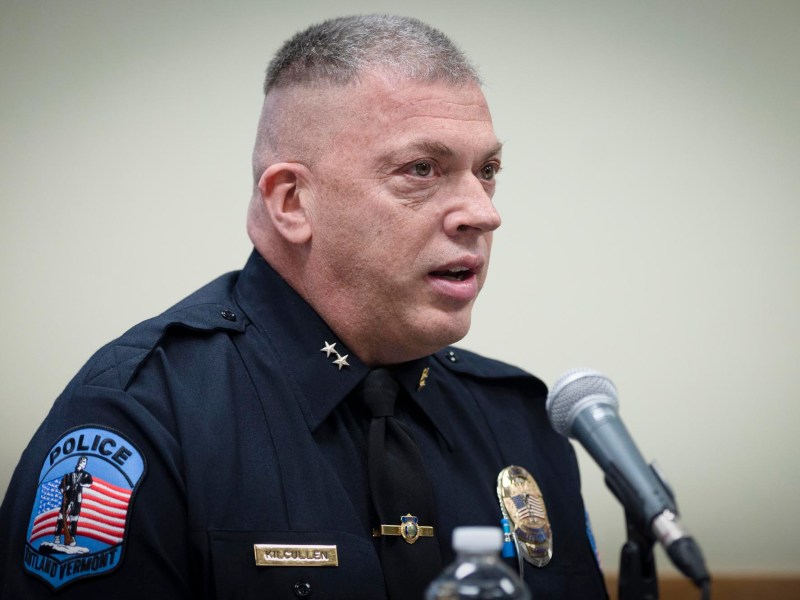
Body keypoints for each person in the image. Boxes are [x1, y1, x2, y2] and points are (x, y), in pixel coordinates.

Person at [0, 14, 608, 599]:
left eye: (489, 170)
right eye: (422, 169)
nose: (484, 212)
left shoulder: (521, 421)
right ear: (291, 202)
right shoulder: (141, 418)